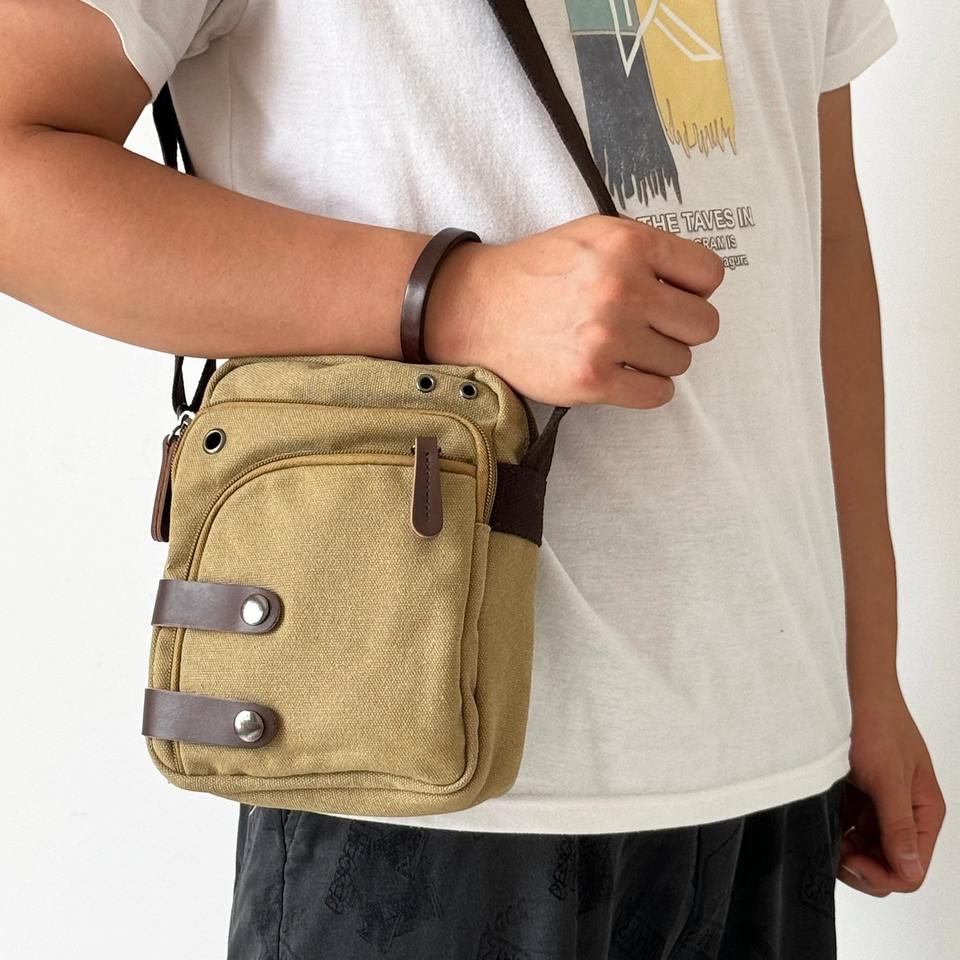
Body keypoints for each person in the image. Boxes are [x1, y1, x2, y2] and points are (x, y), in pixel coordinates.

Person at [0, 0, 946, 957]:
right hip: (414, 752)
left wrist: (866, 675)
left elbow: (822, 233)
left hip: (775, 754)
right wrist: (453, 296)